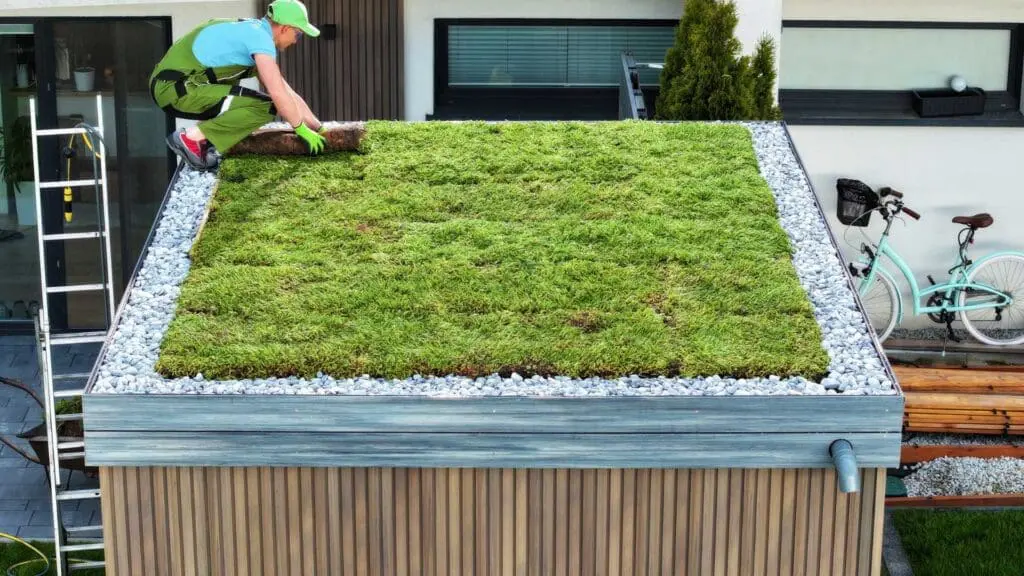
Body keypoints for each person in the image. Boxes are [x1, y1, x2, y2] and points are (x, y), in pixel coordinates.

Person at [148, 0, 327, 170]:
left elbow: (285, 90)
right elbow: (278, 95)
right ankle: (191, 139)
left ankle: (204, 139)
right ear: (285, 28)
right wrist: (299, 128)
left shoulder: (250, 31)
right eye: (298, 34)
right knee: (265, 107)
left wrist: (317, 127)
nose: (296, 40)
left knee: (249, 96)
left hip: (174, 87)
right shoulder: (260, 40)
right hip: (175, 88)